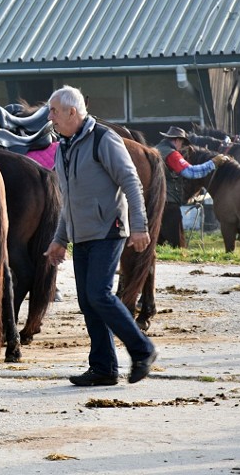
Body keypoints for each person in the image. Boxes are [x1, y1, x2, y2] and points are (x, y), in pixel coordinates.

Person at [44, 86, 157, 385]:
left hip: (109, 230)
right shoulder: (64, 147)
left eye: (54, 110)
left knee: (99, 294)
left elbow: (131, 182)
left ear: (72, 111)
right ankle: (104, 368)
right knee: (87, 300)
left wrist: (140, 226)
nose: (50, 116)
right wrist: (59, 239)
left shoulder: (103, 139)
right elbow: (68, 200)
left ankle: (143, 349)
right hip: (81, 235)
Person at [154, 126, 229, 248]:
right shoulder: (172, 154)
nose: (182, 147)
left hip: (156, 204)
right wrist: (213, 163)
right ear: (177, 140)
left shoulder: (156, 149)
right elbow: (191, 172)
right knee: (179, 246)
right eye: (182, 143)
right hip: (168, 205)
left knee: (157, 245)